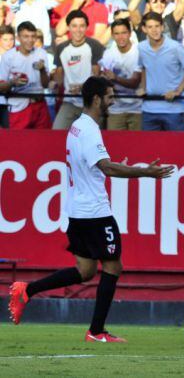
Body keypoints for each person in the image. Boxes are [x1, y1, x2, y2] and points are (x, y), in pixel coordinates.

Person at [8, 76, 174, 341]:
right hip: (95, 212)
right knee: (113, 266)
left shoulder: (77, 127)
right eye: (109, 96)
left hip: (77, 211)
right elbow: (106, 167)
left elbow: (95, 166)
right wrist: (146, 173)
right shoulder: (89, 131)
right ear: (96, 99)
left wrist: (115, 165)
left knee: (85, 271)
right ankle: (96, 331)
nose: (112, 101)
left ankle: (27, 290)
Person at [136, 12, 184, 131]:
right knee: (149, 148)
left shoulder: (175, 47)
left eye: (157, 26)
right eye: (150, 27)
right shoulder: (141, 47)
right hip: (149, 108)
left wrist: (178, 91)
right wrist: (143, 87)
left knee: (176, 148)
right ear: (144, 29)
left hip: (174, 109)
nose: (154, 30)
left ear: (163, 27)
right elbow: (143, 67)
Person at [52, 11, 105, 130]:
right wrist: (54, 82)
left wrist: (83, 87)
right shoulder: (61, 48)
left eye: (82, 26)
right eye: (74, 26)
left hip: (91, 103)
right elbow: (59, 77)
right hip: (69, 100)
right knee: (56, 131)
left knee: (92, 137)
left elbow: (98, 76)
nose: (78, 30)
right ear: (68, 27)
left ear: (86, 27)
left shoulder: (95, 46)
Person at [0, 22, 50, 129]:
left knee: (43, 142)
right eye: (26, 36)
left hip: (40, 106)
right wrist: (12, 82)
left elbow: (46, 85)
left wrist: (42, 70)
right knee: (18, 144)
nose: (30, 40)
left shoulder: (41, 53)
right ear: (18, 38)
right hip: (18, 107)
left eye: (33, 36)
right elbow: (1, 86)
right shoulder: (8, 56)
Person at [100, 19, 141, 131]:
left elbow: (135, 82)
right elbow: (105, 81)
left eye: (124, 33)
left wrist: (115, 78)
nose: (120, 37)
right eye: (117, 34)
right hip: (115, 109)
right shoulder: (108, 54)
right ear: (112, 35)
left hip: (137, 109)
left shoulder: (139, 52)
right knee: (115, 146)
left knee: (138, 146)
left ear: (130, 33)